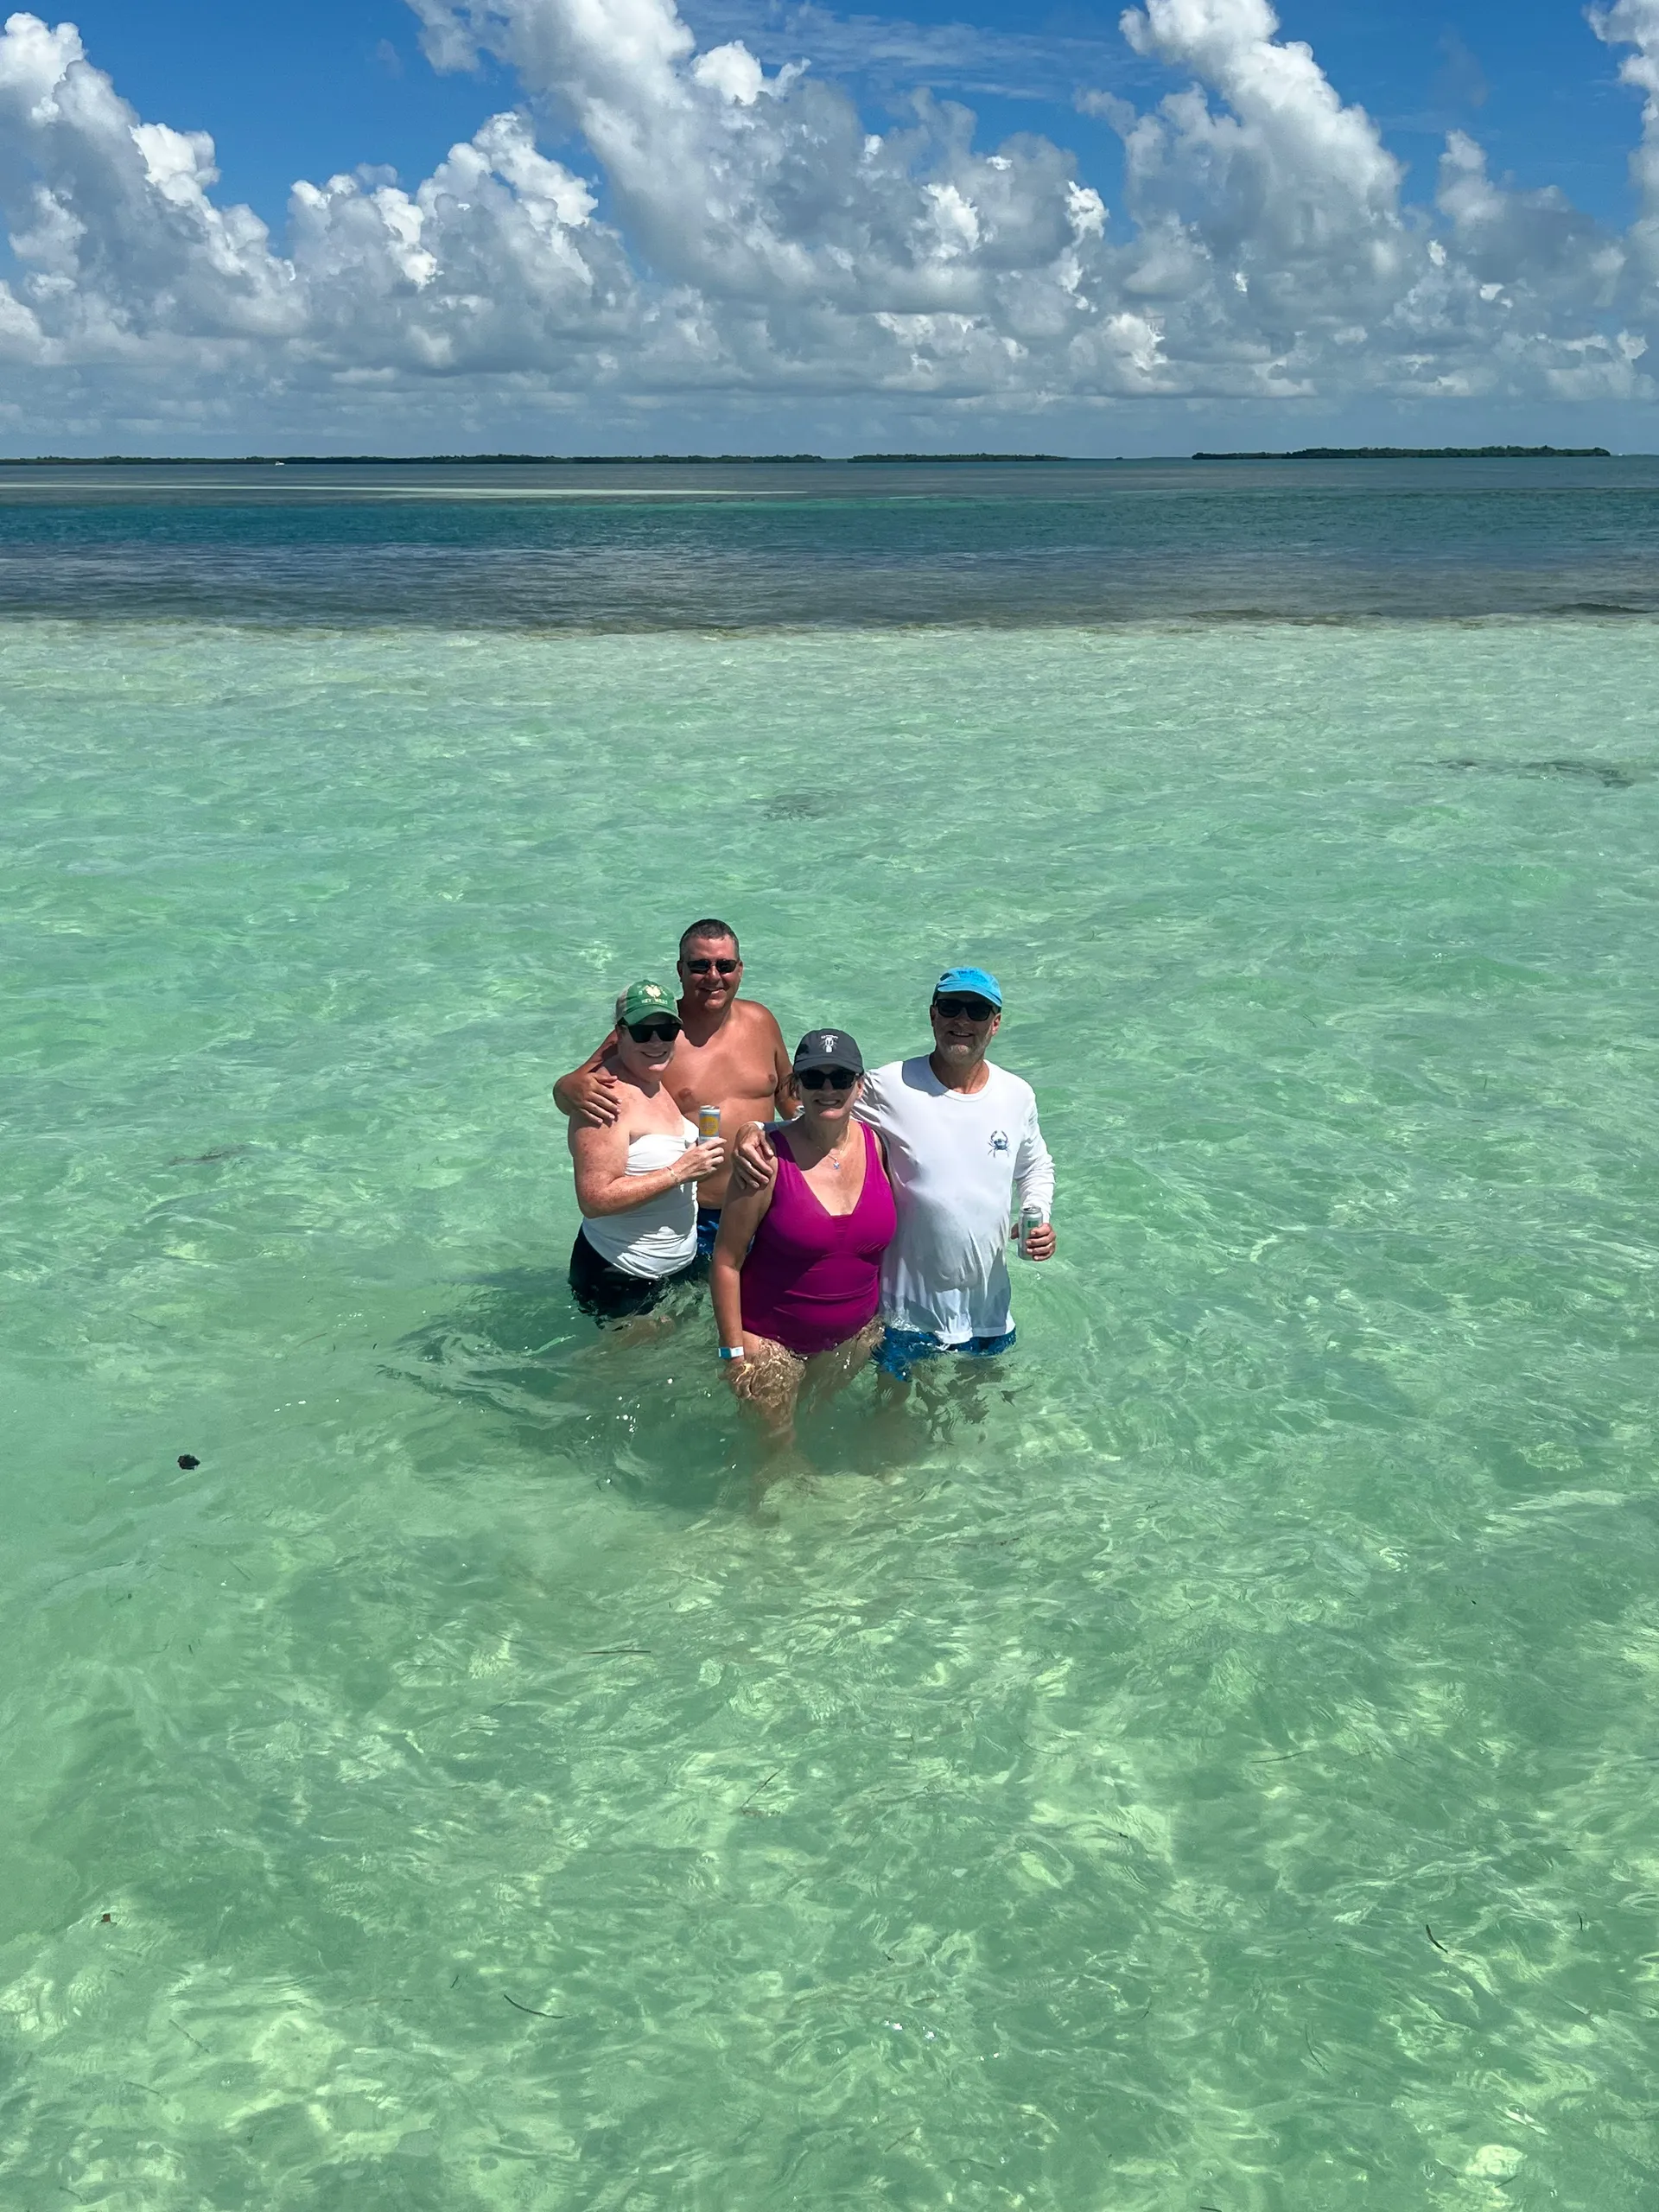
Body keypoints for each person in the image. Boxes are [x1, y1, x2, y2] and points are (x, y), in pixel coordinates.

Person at [733, 966, 1055, 1381]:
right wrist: (754, 1130)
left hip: (988, 1309)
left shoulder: (1018, 1095)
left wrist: (1037, 1211)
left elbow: (1036, 1165)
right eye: (951, 1007)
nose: (962, 1020)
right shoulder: (890, 1085)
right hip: (906, 1315)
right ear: (933, 1015)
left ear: (995, 1023)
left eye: (976, 1010)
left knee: (980, 1427)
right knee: (893, 1428)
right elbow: (817, 1117)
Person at [554, 919, 794, 1263]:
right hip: (692, 1216)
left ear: (740, 970)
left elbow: (788, 1095)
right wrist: (566, 1086)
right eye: (700, 966)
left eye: (724, 965)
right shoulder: (655, 1033)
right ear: (680, 971)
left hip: (761, 1204)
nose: (713, 977)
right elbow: (575, 1092)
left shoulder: (762, 1020)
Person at [710, 1028, 896, 1445]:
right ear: (795, 1086)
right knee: (776, 1454)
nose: (827, 1089)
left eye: (840, 1078)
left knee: (822, 1433)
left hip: (852, 1342)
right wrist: (734, 1352)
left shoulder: (879, 1146)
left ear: (859, 1086)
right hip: (771, 1345)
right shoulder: (764, 1159)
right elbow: (726, 1261)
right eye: (814, 1079)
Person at [567, 979, 726, 1325]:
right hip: (622, 1277)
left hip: (672, 1270)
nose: (657, 1041)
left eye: (667, 1030)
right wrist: (679, 1172)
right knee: (615, 1377)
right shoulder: (605, 1097)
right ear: (620, 1035)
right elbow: (594, 1199)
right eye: (643, 1031)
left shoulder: (654, 1085)